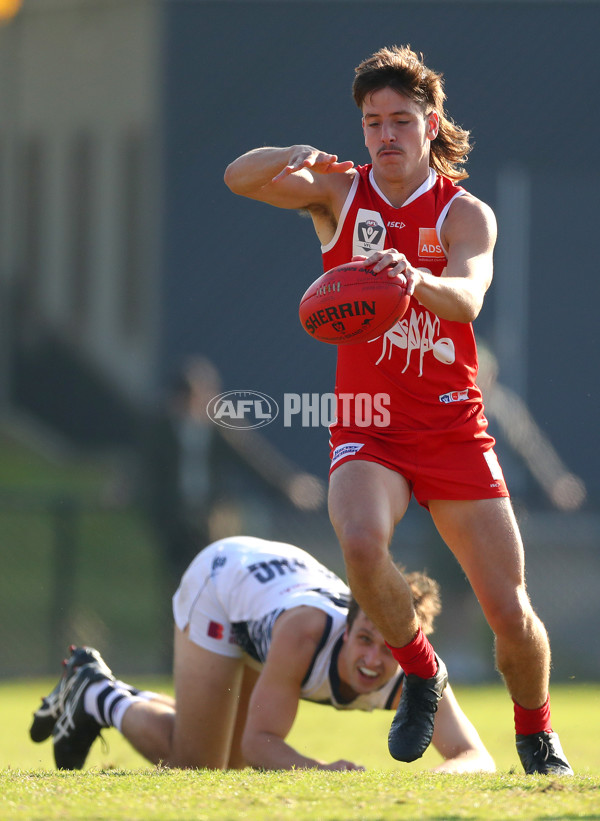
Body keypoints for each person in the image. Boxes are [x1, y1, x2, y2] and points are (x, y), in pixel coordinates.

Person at [223, 45, 572, 775]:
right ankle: (423, 669)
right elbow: (237, 178)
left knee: (510, 612)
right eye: (372, 122)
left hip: (450, 426)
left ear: (430, 123)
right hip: (369, 421)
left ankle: (537, 735)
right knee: (357, 539)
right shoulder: (340, 194)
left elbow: (470, 295)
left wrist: (415, 279)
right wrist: (291, 154)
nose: (385, 136)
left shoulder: (463, 213)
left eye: (400, 121)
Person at [30, 536, 494, 773]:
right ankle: (96, 694)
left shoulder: (419, 669)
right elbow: (259, 743)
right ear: (347, 625)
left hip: (274, 585)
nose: (375, 660)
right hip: (224, 583)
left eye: (391, 648)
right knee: (201, 766)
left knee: (224, 759)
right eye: (365, 640)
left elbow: (476, 756)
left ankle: (100, 689)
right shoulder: (305, 634)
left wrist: (437, 782)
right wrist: (321, 772)